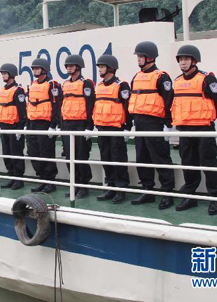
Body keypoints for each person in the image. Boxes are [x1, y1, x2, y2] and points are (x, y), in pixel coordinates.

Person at [171, 45, 217, 215]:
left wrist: (207, 118)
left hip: (203, 129)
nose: (183, 62)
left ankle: (215, 198)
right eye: (181, 59)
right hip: (185, 130)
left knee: (208, 162)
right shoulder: (178, 81)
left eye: (186, 59)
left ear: (194, 61)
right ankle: (190, 196)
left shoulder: (206, 79)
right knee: (188, 163)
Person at [128, 41, 175, 210]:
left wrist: (168, 125)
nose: (138, 59)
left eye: (141, 56)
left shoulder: (162, 77)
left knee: (160, 158)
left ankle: (167, 193)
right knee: (142, 158)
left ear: (150, 57)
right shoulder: (136, 77)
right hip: (140, 124)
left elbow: (169, 101)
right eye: (138, 56)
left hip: (155, 124)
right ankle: (147, 190)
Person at [93, 54, 131, 204]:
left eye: (102, 67)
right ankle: (110, 187)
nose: (100, 69)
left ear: (111, 68)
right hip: (102, 128)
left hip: (116, 128)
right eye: (100, 67)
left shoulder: (122, 85)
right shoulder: (100, 86)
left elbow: (127, 107)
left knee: (118, 158)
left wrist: (127, 128)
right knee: (106, 157)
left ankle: (121, 189)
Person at [60, 54, 95, 199]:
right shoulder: (65, 83)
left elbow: (90, 104)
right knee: (69, 157)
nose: (69, 68)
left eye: (71, 65)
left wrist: (89, 127)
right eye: (67, 66)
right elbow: (62, 105)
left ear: (78, 67)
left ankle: (83, 185)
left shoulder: (86, 83)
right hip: (67, 125)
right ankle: (74, 184)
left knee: (80, 156)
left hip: (80, 125)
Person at [27, 58, 61, 194]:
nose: (35, 70)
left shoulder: (52, 85)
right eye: (33, 68)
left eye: (37, 68)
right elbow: (29, 105)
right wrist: (27, 125)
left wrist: (53, 125)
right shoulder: (33, 84)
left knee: (46, 153)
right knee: (33, 153)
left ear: (44, 69)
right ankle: (42, 179)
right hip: (33, 124)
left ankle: (50, 182)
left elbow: (56, 105)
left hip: (45, 124)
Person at [0, 63, 27, 190]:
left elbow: (22, 111)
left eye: (5, 73)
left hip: (14, 127)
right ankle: (11, 176)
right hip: (4, 127)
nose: (3, 75)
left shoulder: (18, 90)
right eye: (2, 73)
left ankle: (18, 179)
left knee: (16, 154)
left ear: (11, 74)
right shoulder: (3, 89)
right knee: (7, 153)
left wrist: (20, 129)